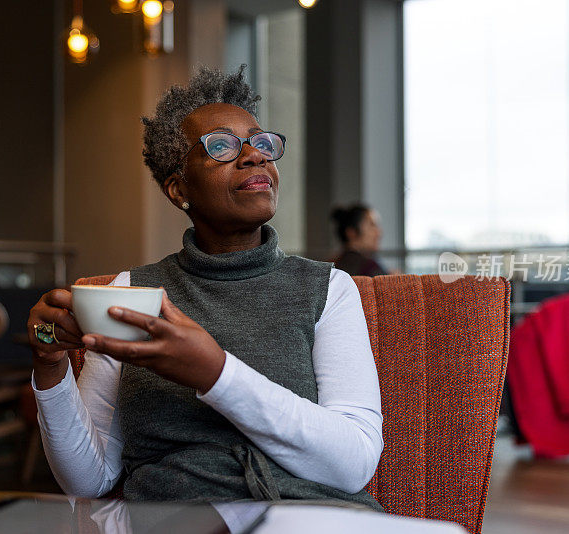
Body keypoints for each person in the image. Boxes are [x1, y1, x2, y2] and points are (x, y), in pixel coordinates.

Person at [27, 67, 383, 515]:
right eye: (221, 145)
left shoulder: (327, 289)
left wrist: (215, 373)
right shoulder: (132, 293)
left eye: (261, 142)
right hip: (178, 519)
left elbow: (355, 463)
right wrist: (49, 364)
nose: (254, 156)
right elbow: (90, 478)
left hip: (308, 516)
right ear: (179, 190)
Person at [330, 204, 387, 277]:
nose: (379, 233)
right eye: (372, 225)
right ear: (352, 232)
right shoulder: (370, 268)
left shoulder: (331, 266)